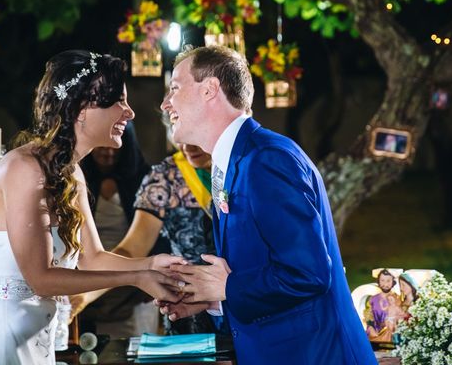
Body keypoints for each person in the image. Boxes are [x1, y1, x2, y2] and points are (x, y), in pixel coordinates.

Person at [0, 50, 185, 365]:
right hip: (2, 345)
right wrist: (134, 277)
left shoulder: (70, 171)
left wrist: (151, 265)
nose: (129, 113)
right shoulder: (24, 168)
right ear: (81, 108)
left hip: (38, 342)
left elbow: (94, 258)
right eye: (118, 100)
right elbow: (40, 279)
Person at [158, 46, 377, 364]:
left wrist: (229, 287)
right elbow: (264, 270)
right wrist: (215, 298)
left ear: (210, 90)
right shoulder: (239, 159)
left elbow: (308, 273)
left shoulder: (266, 159)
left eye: (175, 88)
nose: (166, 103)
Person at [72, 142, 219, 335]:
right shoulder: (165, 177)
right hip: (188, 306)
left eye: (194, 136)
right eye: (180, 137)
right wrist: (86, 294)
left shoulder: (243, 169)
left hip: (244, 294)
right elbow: (132, 250)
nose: (188, 147)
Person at [76, 122, 170, 338]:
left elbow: (142, 244)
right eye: (101, 145)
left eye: (115, 146)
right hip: (88, 276)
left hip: (133, 284)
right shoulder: (78, 179)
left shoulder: (146, 179)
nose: (108, 152)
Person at [364, 269, 403, 343]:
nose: (385, 284)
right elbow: (369, 317)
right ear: (378, 281)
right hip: (375, 333)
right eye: (382, 280)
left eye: (388, 281)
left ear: (393, 282)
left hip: (391, 333)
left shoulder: (397, 299)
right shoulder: (373, 299)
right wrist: (371, 328)